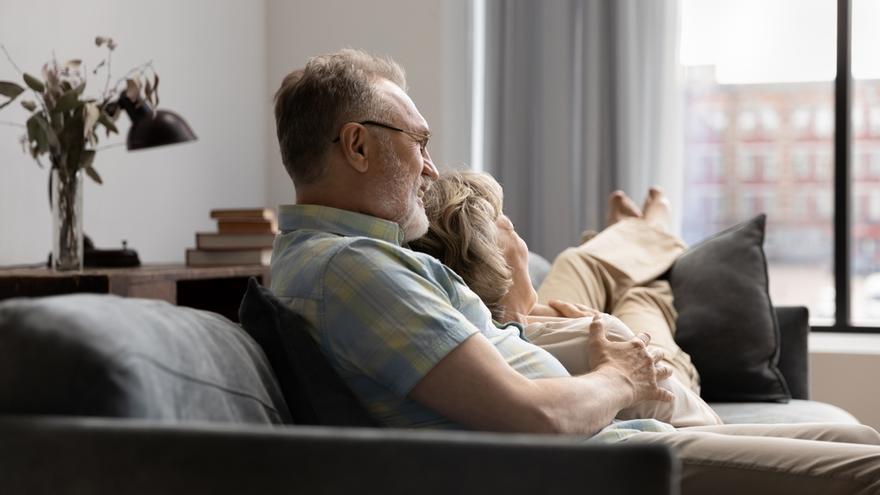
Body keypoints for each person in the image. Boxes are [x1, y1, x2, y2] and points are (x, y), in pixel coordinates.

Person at [270, 48, 880, 494]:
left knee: (860, 442)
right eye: (419, 142)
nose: (429, 168)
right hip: (595, 465)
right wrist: (621, 378)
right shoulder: (351, 269)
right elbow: (534, 417)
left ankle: (643, 232)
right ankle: (646, 231)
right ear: (357, 146)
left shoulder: (356, 261)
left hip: (614, 442)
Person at [408, 170, 722, 427]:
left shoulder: (461, 317)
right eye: (507, 222)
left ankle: (639, 234)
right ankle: (648, 232)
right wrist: (590, 324)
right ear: (498, 256)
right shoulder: (594, 336)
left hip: (524, 314)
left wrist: (532, 314)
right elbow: (708, 425)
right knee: (643, 295)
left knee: (578, 262)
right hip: (644, 368)